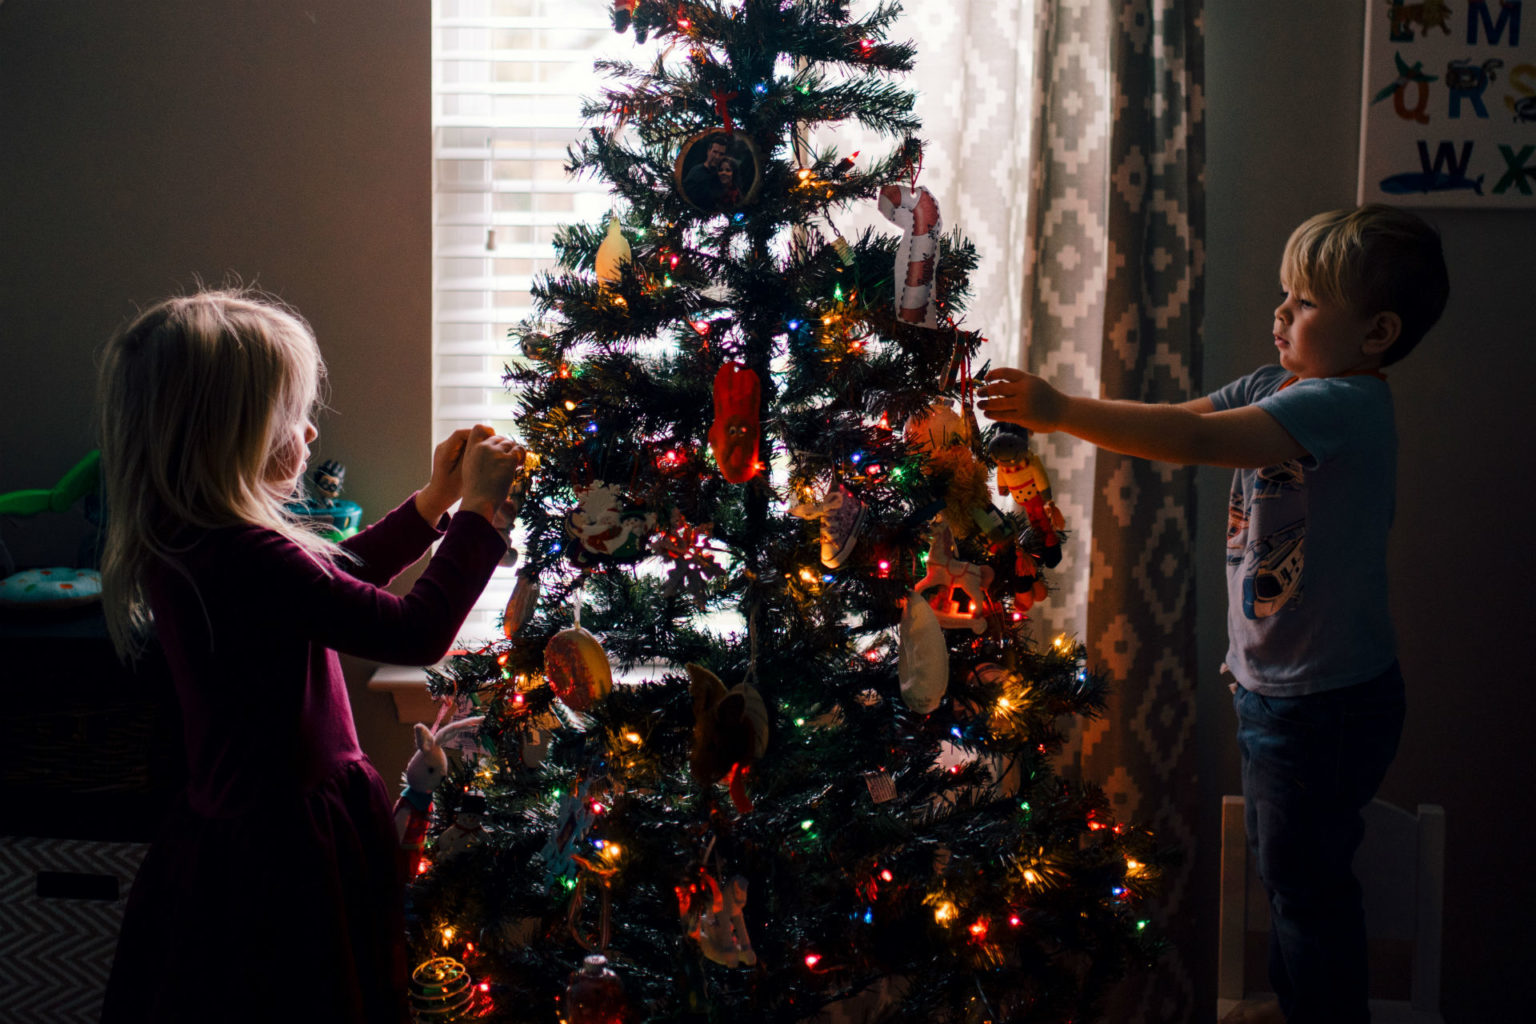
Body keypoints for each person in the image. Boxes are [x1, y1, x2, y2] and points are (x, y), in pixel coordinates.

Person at [978, 204, 1449, 1024]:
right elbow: (1184, 421)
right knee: (1293, 876)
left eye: (1303, 304)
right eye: (1284, 294)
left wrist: (1058, 411)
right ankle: (1303, 1004)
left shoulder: (1342, 406)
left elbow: (1193, 446)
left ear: (1376, 333)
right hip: (1284, 692)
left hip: (1324, 703)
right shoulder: (1280, 385)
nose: (1280, 315)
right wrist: (1065, 412)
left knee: (1305, 890)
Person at [95, 289, 524, 1023]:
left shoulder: (200, 537)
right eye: (292, 417)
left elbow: (334, 581)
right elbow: (414, 632)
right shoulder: (241, 551)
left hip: (255, 832)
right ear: (231, 435)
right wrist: (478, 518)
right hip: (281, 852)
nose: (310, 429)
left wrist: (432, 503)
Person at [681, 133, 729, 209]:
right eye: (715, 152)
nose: (717, 157)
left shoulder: (724, 176)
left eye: (721, 154)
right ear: (708, 151)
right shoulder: (696, 172)